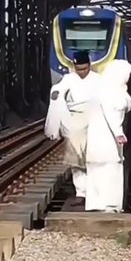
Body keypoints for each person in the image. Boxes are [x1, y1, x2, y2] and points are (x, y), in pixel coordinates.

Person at [85, 59, 131, 213]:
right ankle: (110, 204)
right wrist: (119, 132)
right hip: (107, 138)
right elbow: (113, 111)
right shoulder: (111, 92)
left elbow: (125, 102)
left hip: (97, 139)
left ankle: (96, 203)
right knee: (110, 169)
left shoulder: (106, 86)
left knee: (97, 170)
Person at [44, 50, 102, 206]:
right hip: (75, 121)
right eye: (79, 69)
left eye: (84, 69)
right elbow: (59, 88)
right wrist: (56, 94)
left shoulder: (98, 79)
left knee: (93, 158)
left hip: (95, 119)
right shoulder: (68, 79)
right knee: (76, 159)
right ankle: (81, 193)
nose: (82, 72)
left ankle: (95, 193)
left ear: (89, 65)